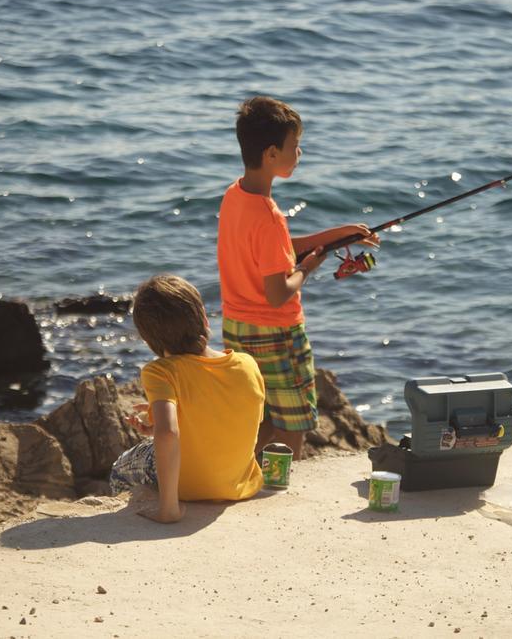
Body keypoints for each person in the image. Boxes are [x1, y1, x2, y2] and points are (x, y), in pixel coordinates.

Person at [217, 96, 379, 460]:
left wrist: (338, 235)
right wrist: (308, 268)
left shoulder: (235, 196)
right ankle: (273, 488)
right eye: (294, 146)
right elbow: (278, 291)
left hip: (237, 327)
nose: (300, 152)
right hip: (277, 332)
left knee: (258, 416)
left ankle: (243, 475)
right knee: (292, 422)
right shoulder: (269, 216)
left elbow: (276, 250)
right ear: (272, 154)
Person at [109, 274, 265, 523]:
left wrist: (168, 507)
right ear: (203, 318)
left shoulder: (160, 371)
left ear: (148, 339)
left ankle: (149, 508)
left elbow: (169, 433)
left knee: (120, 467)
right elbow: (235, 419)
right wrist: (158, 426)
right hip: (239, 485)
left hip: (187, 489)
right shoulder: (247, 364)